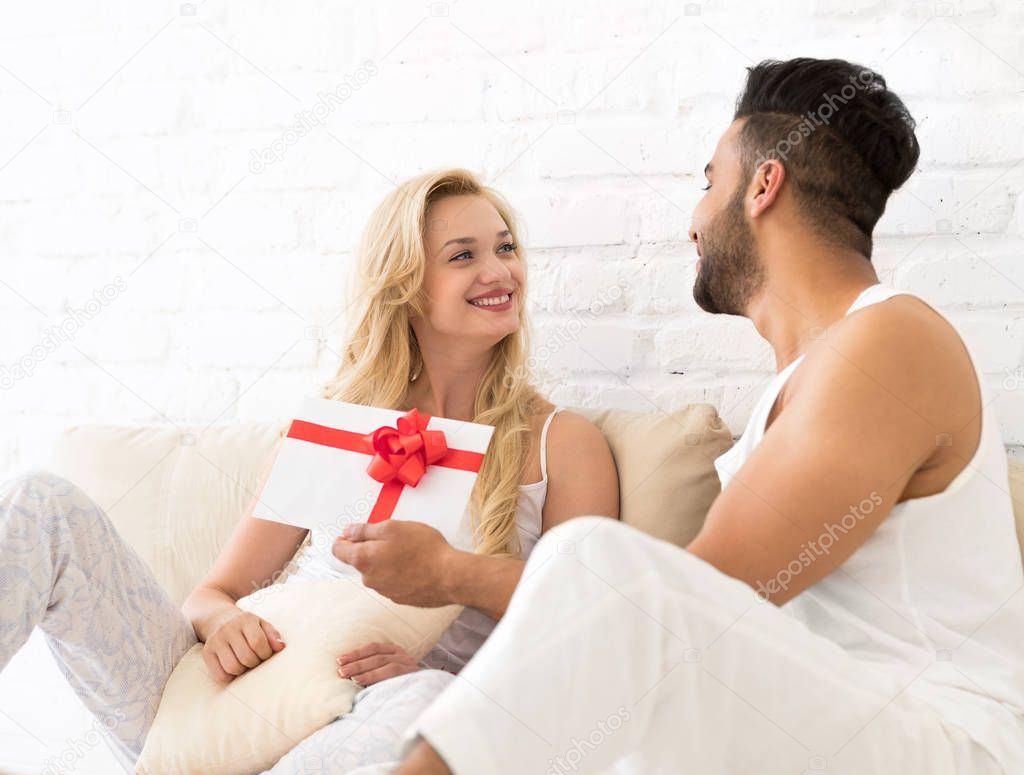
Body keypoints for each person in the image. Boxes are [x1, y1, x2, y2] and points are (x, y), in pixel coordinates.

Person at [393, 58, 1024, 775]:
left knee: (591, 558)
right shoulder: (802, 384)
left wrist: (452, 573)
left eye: (708, 183)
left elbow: (702, 595)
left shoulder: (889, 340)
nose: (696, 219)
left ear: (762, 187)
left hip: (942, 740)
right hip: (820, 724)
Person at [0, 168, 619, 774]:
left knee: (425, 707)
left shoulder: (560, 443)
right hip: (218, 709)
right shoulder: (333, 430)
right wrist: (226, 624)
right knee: (40, 503)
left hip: (375, 715)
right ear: (405, 286)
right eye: (463, 256)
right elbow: (212, 594)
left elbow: (593, 619)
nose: (500, 271)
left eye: (506, 247)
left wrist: (448, 673)